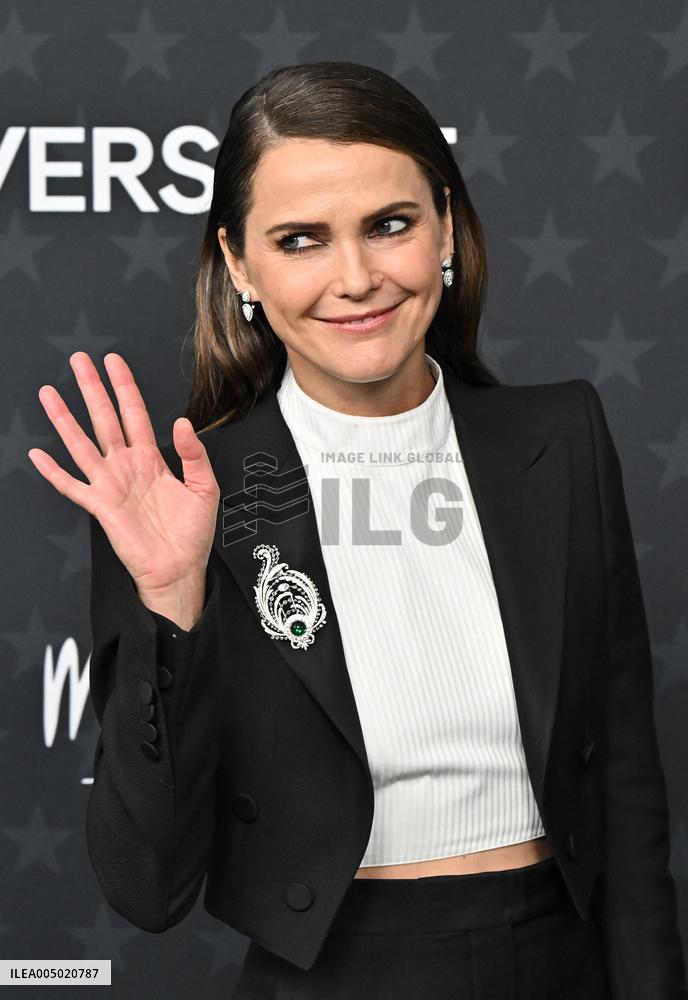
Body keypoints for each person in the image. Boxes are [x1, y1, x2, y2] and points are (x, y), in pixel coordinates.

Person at [28, 61, 687, 999]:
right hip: (334, 974)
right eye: (300, 239)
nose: (357, 279)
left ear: (446, 228)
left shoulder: (563, 439)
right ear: (241, 264)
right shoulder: (190, 499)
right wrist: (173, 605)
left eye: (390, 224)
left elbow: (628, 797)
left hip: (561, 960)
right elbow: (147, 886)